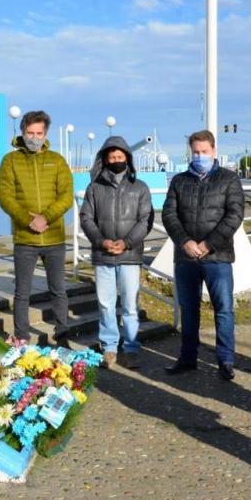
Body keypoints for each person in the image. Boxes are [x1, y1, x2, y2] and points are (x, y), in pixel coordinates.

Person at [161, 129, 244, 381]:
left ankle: (225, 361)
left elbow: (234, 215)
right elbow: (169, 215)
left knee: (224, 310)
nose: (199, 156)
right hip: (186, 258)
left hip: (217, 258)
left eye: (204, 151)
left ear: (214, 151)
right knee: (189, 309)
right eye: (195, 152)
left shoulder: (229, 179)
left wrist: (208, 244)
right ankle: (188, 358)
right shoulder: (179, 181)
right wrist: (184, 242)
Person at [0, 110, 73, 347]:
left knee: (58, 290)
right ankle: (21, 337)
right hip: (25, 239)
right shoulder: (10, 161)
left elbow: (66, 196)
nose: (34, 137)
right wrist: (27, 219)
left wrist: (46, 217)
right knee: (22, 292)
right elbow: (5, 196)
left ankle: (62, 336)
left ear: (46, 133)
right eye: (30, 133)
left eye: (39, 133)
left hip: (54, 238)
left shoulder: (58, 160)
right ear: (22, 132)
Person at [80, 136, 153, 370]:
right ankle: (109, 347)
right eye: (111, 157)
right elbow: (86, 218)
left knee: (130, 305)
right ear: (104, 159)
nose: (116, 161)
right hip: (103, 256)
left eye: (120, 157)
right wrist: (102, 242)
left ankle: (131, 347)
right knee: (105, 304)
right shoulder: (94, 188)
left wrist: (127, 242)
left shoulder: (140, 188)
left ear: (127, 159)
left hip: (130, 256)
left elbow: (146, 220)